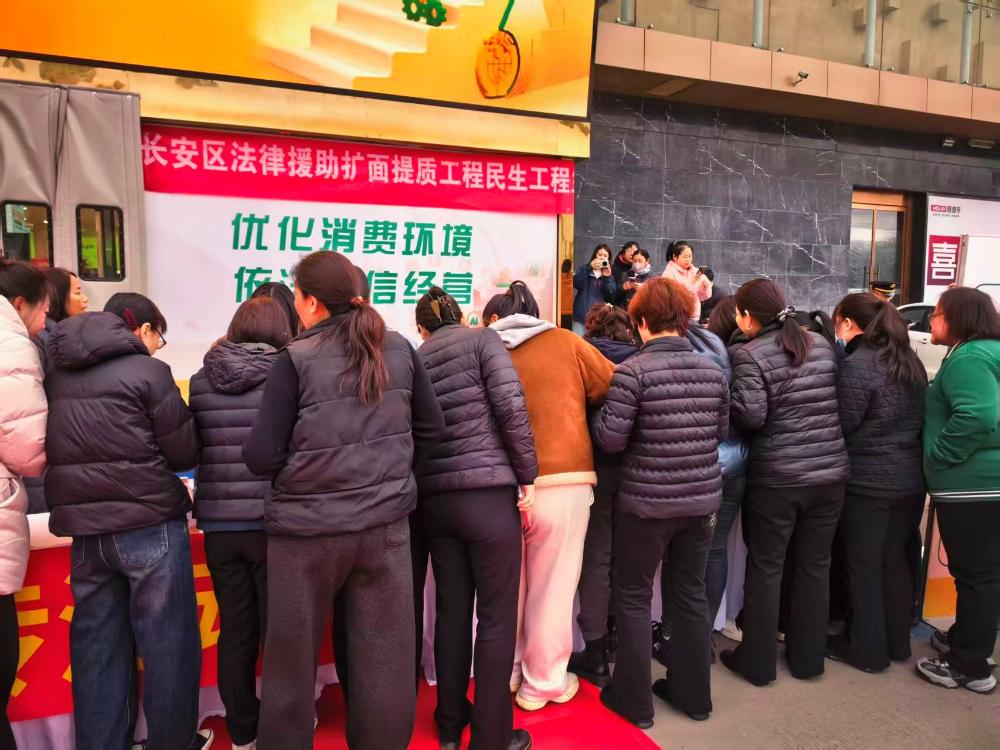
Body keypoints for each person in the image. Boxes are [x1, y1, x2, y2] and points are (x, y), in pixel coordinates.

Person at [244, 252, 445, 748]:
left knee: (290, 665)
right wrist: (393, 475)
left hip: (305, 535)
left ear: (311, 302)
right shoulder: (398, 348)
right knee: (385, 661)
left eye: (297, 297)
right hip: (384, 529)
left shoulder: (295, 358)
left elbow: (262, 455)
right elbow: (432, 429)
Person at [44, 292, 210, 749]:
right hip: (149, 523)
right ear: (143, 329)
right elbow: (184, 452)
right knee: (167, 643)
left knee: (97, 645)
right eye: (159, 336)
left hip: (85, 532)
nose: (157, 346)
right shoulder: (149, 372)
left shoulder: (58, 373)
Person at [593, 277, 729, 727]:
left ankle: (633, 701)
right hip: (702, 502)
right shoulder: (713, 371)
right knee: (689, 593)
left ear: (641, 321)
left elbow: (611, 440)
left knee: (633, 596)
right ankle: (695, 697)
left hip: (646, 505)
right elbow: (720, 432)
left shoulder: (632, 372)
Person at [414, 287, 536, 750]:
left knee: (451, 612)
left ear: (422, 327)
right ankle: (491, 738)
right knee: (496, 618)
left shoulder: (417, 356)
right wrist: (527, 475)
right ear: (461, 315)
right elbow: (511, 406)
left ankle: (449, 725)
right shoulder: (484, 340)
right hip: (488, 496)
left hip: (436, 500)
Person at [483, 281, 614, 712]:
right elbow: (608, 383)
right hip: (563, 479)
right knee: (553, 588)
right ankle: (542, 683)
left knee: (508, 588)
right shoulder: (566, 342)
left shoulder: (481, 347)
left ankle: (508, 672)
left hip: (498, 483)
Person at [719, 279, 848, 687]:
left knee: (766, 567)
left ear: (747, 316)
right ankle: (808, 660)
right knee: (815, 565)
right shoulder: (821, 345)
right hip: (829, 474)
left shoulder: (749, 354)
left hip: (778, 478)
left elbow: (751, 416)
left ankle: (757, 664)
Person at [189, 297, 293, 749]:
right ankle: (283, 727)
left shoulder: (201, 380)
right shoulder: (286, 375)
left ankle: (242, 733)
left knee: (235, 630)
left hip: (219, 525)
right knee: (279, 632)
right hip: (273, 523)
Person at [827, 294, 927, 674]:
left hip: (868, 483)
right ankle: (897, 642)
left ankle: (866, 649)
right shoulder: (908, 360)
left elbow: (845, 422)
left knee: (862, 566)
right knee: (894, 562)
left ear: (849, 323)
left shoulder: (858, 365)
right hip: (909, 479)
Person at [915, 287, 1000, 694]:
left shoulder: (970, 357)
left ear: (957, 318)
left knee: (976, 576)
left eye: (937, 313)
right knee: (984, 574)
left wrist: (939, 456)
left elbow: (978, 415)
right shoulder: (988, 351)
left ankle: (969, 666)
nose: (931, 320)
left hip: (971, 488)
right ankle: (970, 640)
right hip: (986, 484)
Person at [568, 303, 639, 686]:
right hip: (637, 472)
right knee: (625, 557)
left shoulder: (582, 358)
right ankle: (615, 636)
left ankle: (594, 649)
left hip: (594, 469)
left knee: (596, 556)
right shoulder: (641, 360)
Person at [0, 260, 48, 748]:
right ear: (19, 305)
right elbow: (29, 451)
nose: (45, 321)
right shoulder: (11, 343)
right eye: (44, 310)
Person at [25, 267, 88, 514]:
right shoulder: (46, 341)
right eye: (77, 292)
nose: (85, 300)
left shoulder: (56, 338)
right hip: (46, 456)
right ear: (57, 296)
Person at [661, 241, 712, 321]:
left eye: (690, 256)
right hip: (676, 318)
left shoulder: (695, 271)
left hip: (694, 316)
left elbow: (703, 297)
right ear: (675, 257)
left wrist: (704, 288)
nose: (688, 259)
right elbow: (670, 297)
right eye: (685, 257)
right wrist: (690, 283)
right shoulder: (669, 273)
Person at [572, 244, 617, 336]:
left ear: (608, 259)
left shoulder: (609, 276)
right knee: (578, 341)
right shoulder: (584, 269)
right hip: (580, 316)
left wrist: (607, 277)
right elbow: (576, 284)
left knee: (593, 343)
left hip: (598, 319)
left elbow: (610, 296)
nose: (602, 257)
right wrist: (589, 267)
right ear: (594, 255)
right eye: (599, 254)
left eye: (605, 256)